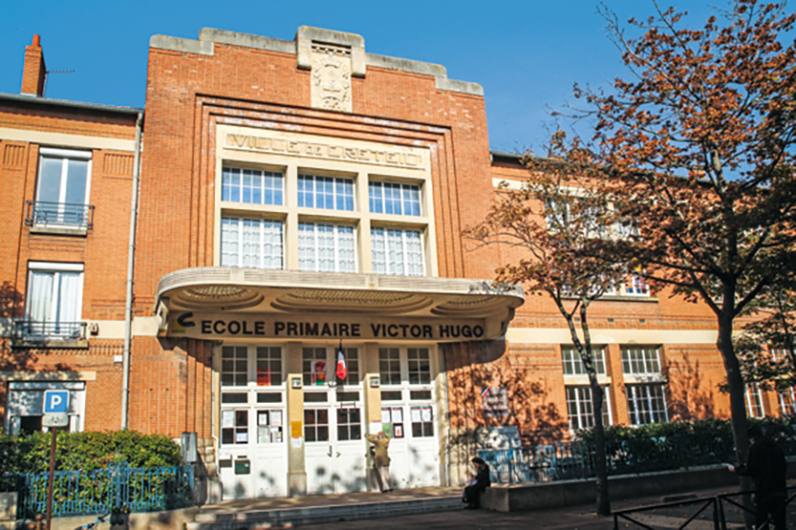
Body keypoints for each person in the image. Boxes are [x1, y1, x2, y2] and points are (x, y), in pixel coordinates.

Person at [729, 424, 787, 530]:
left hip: (764, 489)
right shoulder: (774, 446)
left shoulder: (755, 448)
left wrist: (736, 469)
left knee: (762, 520)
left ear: (751, 438)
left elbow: (752, 469)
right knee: (779, 521)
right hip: (779, 488)